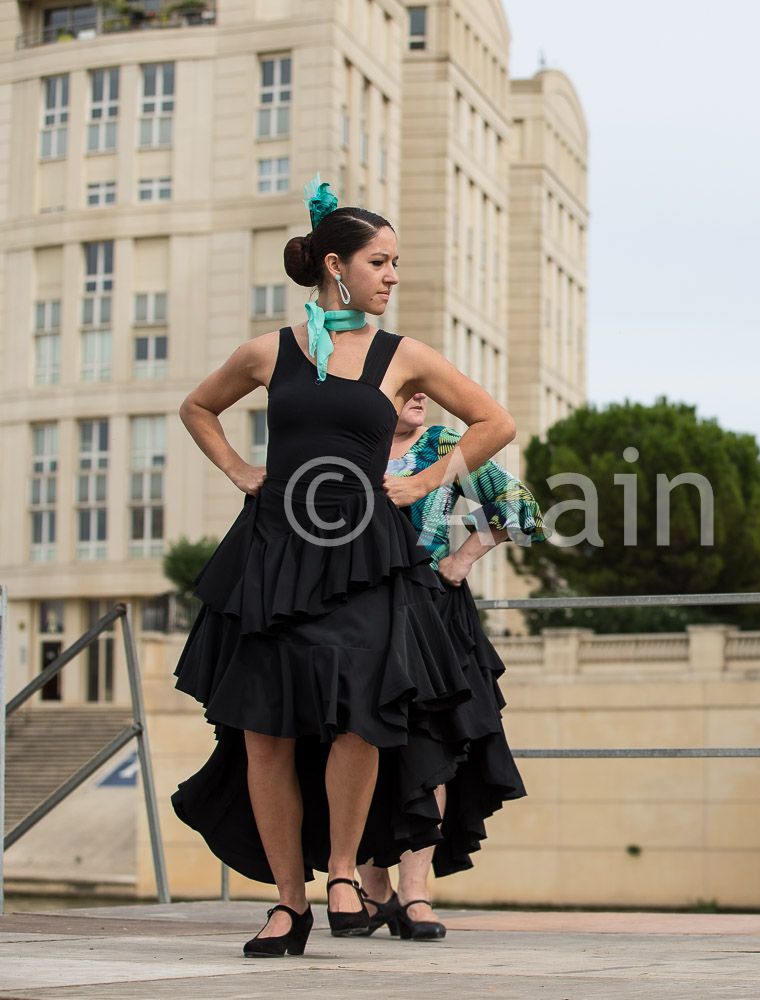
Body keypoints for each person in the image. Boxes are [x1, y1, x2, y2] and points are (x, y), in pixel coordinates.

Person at [171, 176, 517, 958]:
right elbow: (198, 407)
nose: (392, 276)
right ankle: (287, 905)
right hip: (272, 552)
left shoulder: (404, 355)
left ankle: (342, 870)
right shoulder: (270, 352)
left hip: (367, 554)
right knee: (265, 731)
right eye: (380, 262)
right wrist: (239, 470)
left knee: (363, 714)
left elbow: (494, 422)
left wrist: (423, 484)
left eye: (395, 263)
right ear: (337, 266)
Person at [355, 391, 544, 940]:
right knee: (356, 741)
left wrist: (462, 557)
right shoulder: (349, 446)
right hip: (355, 613)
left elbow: (521, 506)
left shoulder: (444, 444)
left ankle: (415, 893)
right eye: (406, 385)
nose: (420, 393)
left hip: (429, 612)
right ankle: (371, 891)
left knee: (429, 745)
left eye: (423, 385)